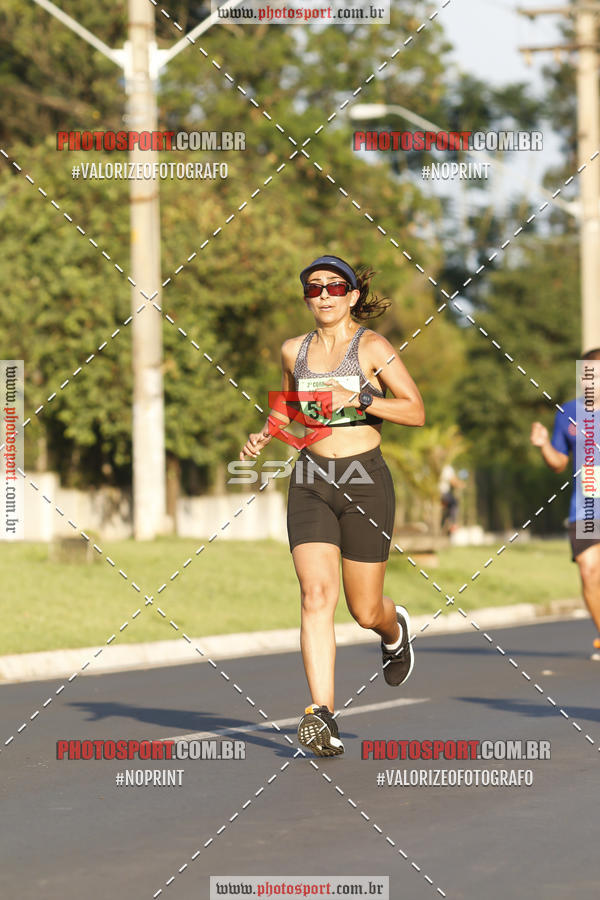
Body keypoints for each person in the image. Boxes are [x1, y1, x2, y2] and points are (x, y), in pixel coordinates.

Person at [240, 255, 425, 757]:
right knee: (316, 595)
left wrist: (361, 399)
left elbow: (415, 410)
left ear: (352, 296)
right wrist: (266, 432)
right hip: (311, 478)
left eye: (334, 287)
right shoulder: (293, 350)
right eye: (314, 288)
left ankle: (393, 627)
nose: (323, 295)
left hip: (365, 480)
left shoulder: (372, 347)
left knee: (364, 609)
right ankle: (321, 714)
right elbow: (287, 404)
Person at [530, 348, 600, 660]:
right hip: (586, 507)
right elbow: (559, 462)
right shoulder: (569, 412)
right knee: (589, 571)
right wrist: (545, 444)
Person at [439, 463, 464, 534]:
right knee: (454, 503)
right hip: (443, 493)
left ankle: (444, 525)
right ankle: (453, 524)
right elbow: (453, 481)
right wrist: (460, 484)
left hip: (440, 493)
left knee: (447, 509)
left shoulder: (440, 466)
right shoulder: (447, 468)